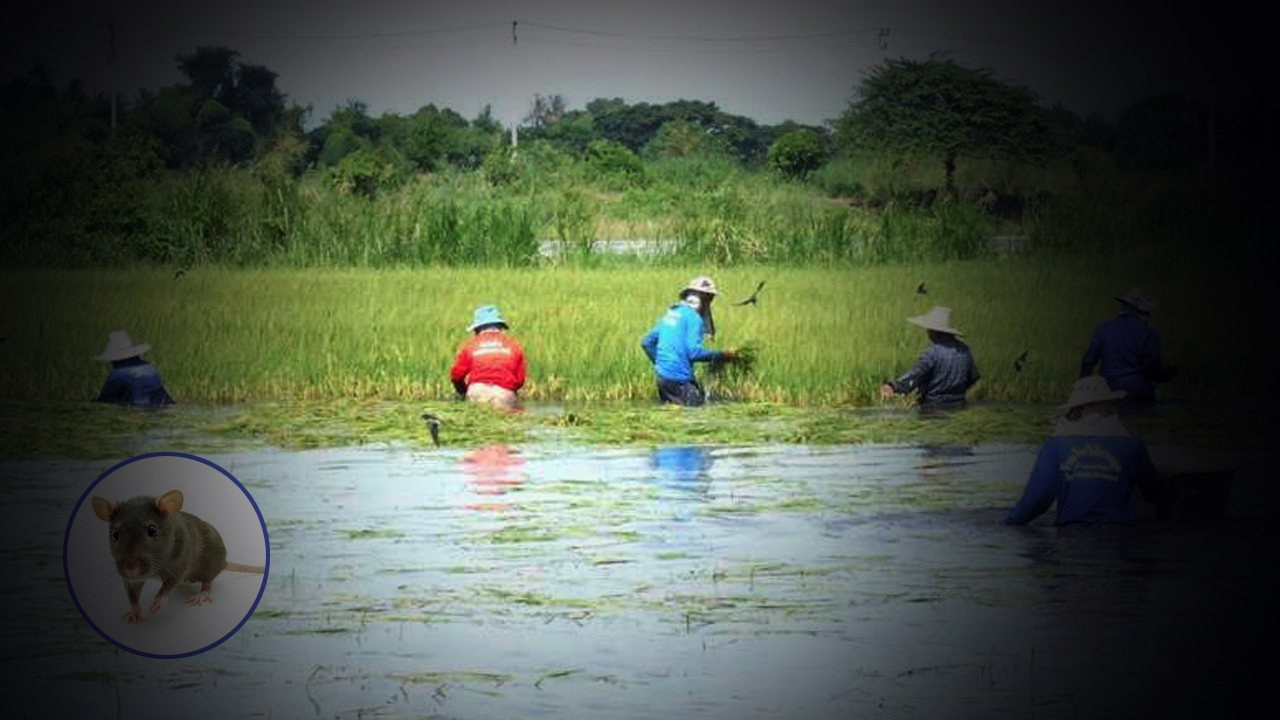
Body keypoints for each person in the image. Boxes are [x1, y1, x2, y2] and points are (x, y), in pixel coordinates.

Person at [1003, 376, 1169, 527]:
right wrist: (1165, 477)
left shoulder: (1056, 445)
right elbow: (1153, 491)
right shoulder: (1130, 444)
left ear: (1075, 410)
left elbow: (1036, 500)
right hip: (1119, 540)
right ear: (1109, 406)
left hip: (1070, 540)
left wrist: (1008, 523)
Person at [640, 276, 737, 407]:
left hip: (662, 378)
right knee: (695, 416)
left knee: (671, 417)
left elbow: (646, 342)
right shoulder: (694, 318)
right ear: (704, 299)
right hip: (679, 380)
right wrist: (722, 355)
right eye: (710, 298)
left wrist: (662, 364)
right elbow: (694, 353)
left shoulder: (671, 313)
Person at [1079, 287, 1177, 405]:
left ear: (1122, 308)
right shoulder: (1150, 334)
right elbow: (1150, 368)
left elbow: (1088, 361)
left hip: (1110, 391)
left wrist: (1083, 389)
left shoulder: (1103, 330)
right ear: (1143, 312)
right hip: (1139, 393)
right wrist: (1168, 373)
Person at [879, 306, 980, 410]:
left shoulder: (933, 353)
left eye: (929, 328)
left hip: (933, 408)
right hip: (960, 407)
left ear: (935, 330)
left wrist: (892, 386)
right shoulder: (964, 350)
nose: (927, 331)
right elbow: (973, 377)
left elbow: (915, 376)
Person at [449, 305, 526, 410]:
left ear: (477, 329)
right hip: (503, 395)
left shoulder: (470, 345)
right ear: (500, 327)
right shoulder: (514, 346)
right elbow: (520, 381)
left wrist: (462, 392)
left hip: (477, 393)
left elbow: (456, 376)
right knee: (510, 421)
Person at [93, 330, 175, 408]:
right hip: (165, 405)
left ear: (116, 359)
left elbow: (104, 400)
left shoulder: (118, 374)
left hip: (139, 409)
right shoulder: (150, 367)